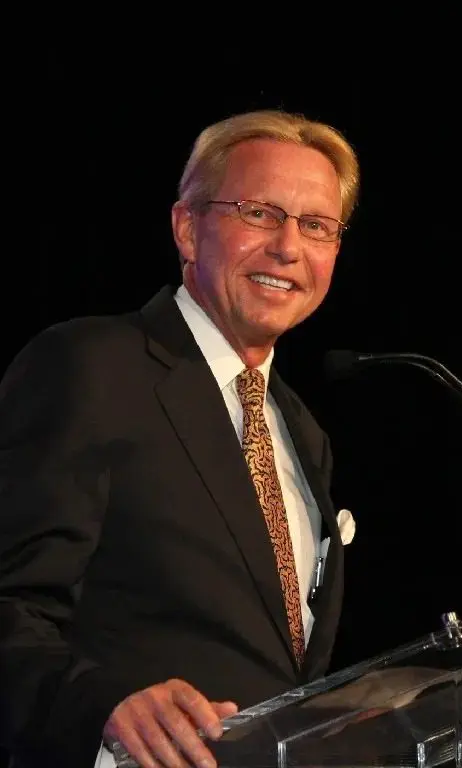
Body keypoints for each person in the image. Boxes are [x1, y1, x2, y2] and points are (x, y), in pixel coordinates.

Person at [0, 108, 360, 768]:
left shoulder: (303, 432)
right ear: (187, 228)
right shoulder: (94, 366)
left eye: (316, 226)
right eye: (260, 214)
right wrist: (102, 706)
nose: (288, 246)